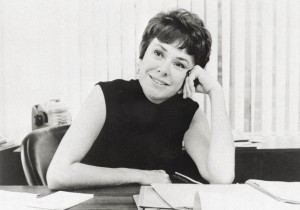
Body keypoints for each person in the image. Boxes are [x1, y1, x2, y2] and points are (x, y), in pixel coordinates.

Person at [47, 9, 235, 190]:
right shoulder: (106, 95)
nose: (163, 69)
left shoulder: (189, 113)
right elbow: (57, 175)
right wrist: (142, 176)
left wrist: (215, 91)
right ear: (142, 56)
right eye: (158, 53)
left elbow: (221, 177)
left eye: (179, 64)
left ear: (190, 75)